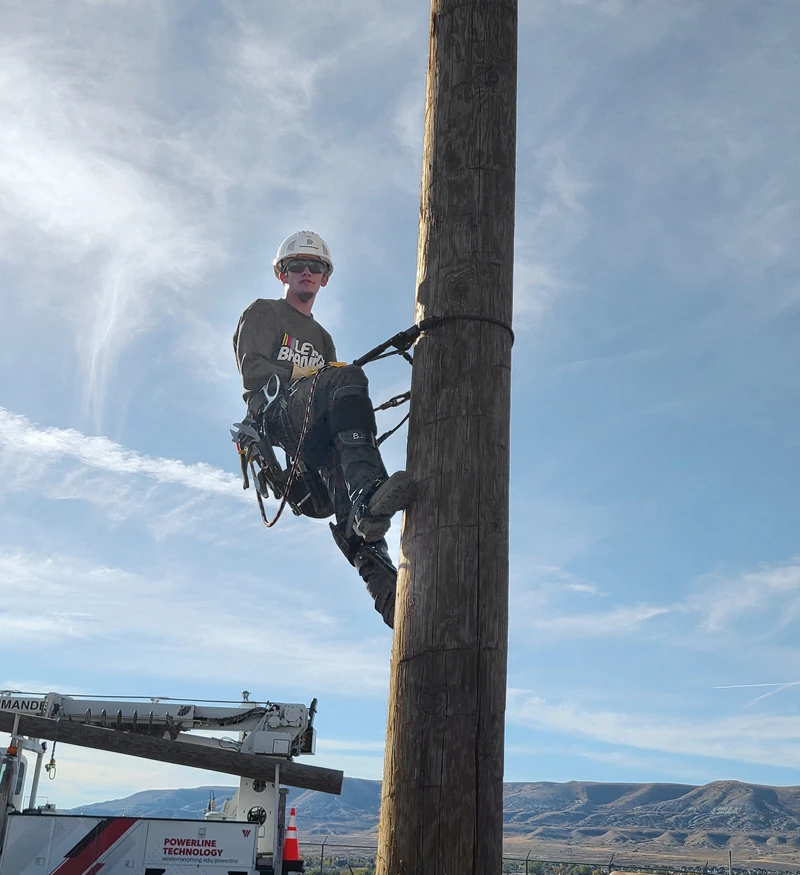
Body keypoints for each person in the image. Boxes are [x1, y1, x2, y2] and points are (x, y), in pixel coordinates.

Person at [232, 231, 416, 628]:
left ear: (325, 278)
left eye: (315, 267)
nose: (306, 273)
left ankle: (387, 593)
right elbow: (253, 372)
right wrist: (306, 372)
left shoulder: (322, 338)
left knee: (348, 477)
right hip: (279, 413)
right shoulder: (263, 312)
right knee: (346, 377)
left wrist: (329, 380)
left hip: (315, 424)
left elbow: (334, 394)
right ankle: (368, 491)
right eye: (296, 266)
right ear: (283, 273)